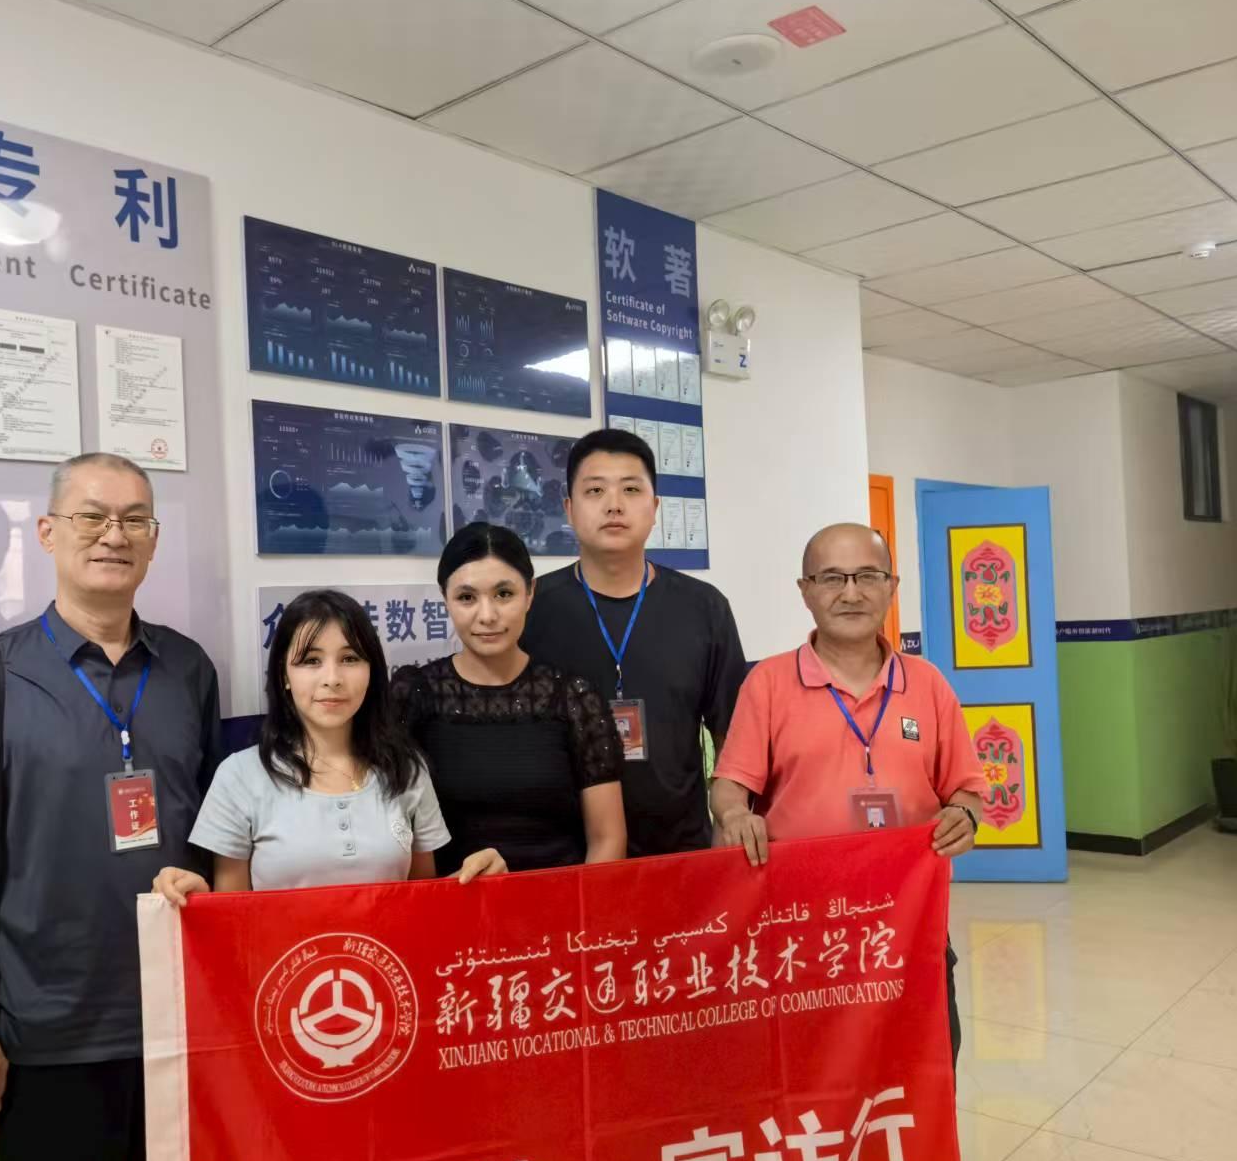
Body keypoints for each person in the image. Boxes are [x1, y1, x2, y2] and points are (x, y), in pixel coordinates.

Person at [0, 452, 221, 1161]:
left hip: (180, 1030)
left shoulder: (188, 669)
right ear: (49, 532)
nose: (114, 535)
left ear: (153, 540)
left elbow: (216, 844)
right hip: (45, 1036)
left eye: (134, 519)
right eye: (92, 516)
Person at [709, 522, 985, 1063]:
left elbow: (966, 789)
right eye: (832, 578)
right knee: (810, 1081)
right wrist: (735, 815)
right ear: (805, 590)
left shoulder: (928, 684)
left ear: (892, 587)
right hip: (800, 935)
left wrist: (964, 816)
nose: (851, 592)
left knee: (919, 1074)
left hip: (909, 926)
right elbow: (730, 785)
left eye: (867, 576)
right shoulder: (768, 683)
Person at [152, 590, 505, 900]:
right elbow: (234, 916)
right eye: (311, 661)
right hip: (284, 958)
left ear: (371, 671)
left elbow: (423, 902)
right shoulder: (239, 777)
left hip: (386, 958)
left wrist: (475, 880)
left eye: (350, 659)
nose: (332, 679)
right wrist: (197, 900)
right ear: (283, 675)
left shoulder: (407, 769)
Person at [521, 428, 747, 857]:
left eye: (630, 489)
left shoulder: (704, 607)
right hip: (563, 856)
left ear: (655, 507)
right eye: (595, 490)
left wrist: (729, 816)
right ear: (569, 509)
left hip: (679, 851)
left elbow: (732, 738)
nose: (614, 504)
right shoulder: (531, 609)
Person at [390, 522, 626, 873]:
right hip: (453, 899)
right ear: (445, 599)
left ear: (530, 593)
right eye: (467, 597)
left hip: (559, 902)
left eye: (503, 594)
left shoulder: (574, 697)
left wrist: (581, 907)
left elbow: (607, 838)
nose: (487, 616)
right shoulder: (413, 694)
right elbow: (399, 836)